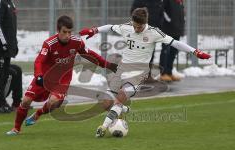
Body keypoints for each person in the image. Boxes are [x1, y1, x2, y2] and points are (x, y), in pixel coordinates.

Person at [79, 7, 211, 137]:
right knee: (105, 103)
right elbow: (109, 27)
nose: (136, 29)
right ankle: (123, 109)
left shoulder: (154, 33)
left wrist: (195, 51)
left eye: (139, 27)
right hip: (122, 70)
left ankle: (103, 127)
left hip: (138, 73)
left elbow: (175, 43)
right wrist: (94, 30)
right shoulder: (127, 27)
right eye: (135, 26)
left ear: (145, 23)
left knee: (121, 95)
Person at [6, 15, 117, 135]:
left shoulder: (77, 42)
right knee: (26, 101)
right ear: (58, 30)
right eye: (65, 32)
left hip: (62, 80)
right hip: (45, 78)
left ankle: (38, 114)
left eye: (70, 32)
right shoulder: (49, 44)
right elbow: (39, 61)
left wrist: (107, 64)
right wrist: (38, 75)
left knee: (53, 102)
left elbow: (90, 55)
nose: (68, 35)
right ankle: (16, 129)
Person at [131, 0, 164, 83]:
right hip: (142, 30)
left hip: (153, 30)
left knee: (150, 53)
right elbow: (133, 12)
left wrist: (159, 26)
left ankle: (147, 75)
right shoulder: (139, 2)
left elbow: (161, 14)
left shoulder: (158, 2)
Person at [0, 0, 18, 112]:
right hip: (0, 48)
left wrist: (14, 43)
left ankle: (3, 101)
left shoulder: (11, 2)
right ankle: (0, 102)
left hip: (8, 47)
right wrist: (4, 43)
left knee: (5, 74)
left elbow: (12, 26)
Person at [159, 0, 185, 81]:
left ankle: (169, 72)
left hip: (177, 29)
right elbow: (162, 11)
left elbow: (181, 14)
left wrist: (182, 25)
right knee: (166, 50)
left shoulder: (180, 1)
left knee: (173, 51)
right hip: (167, 29)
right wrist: (170, 21)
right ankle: (163, 73)